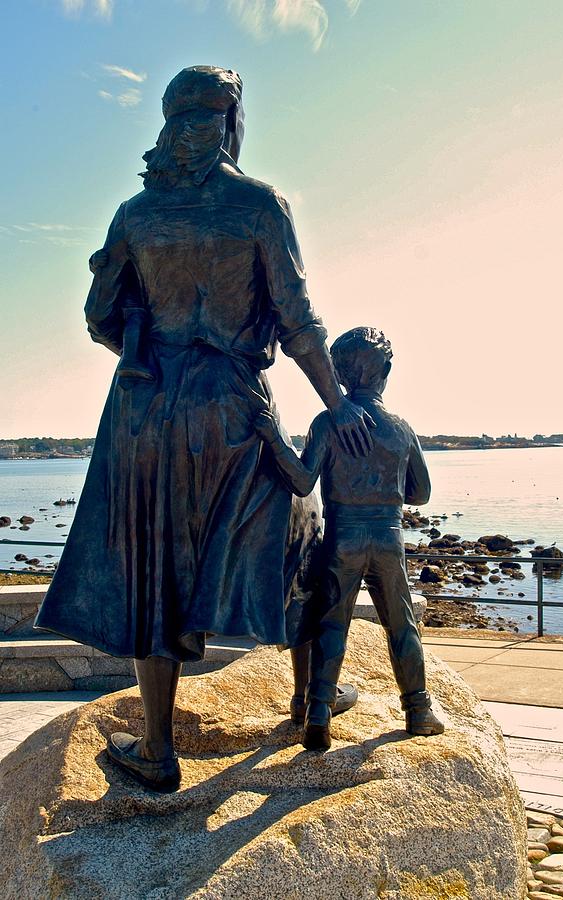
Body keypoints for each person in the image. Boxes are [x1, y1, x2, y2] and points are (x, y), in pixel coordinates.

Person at [35, 66, 373, 791]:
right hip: (231, 404)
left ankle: (156, 750)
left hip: (144, 410)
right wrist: (337, 402)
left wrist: (143, 344)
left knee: (153, 571)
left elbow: (99, 316)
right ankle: (308, 701)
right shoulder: (258, 205)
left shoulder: (135, 211)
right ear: (232, 119)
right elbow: (298, 319)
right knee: (300, 537)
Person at [255, 326, 445, 751]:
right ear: (387, 372)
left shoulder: (327, 423)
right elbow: (422, 493)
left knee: (331, 625)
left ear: (339, 377)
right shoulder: (401, 429)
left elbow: (303, 482)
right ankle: (418, 710)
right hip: (388, 539)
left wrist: (273, 438)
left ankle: (318, 713)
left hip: (342, 538)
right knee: (402, 626)